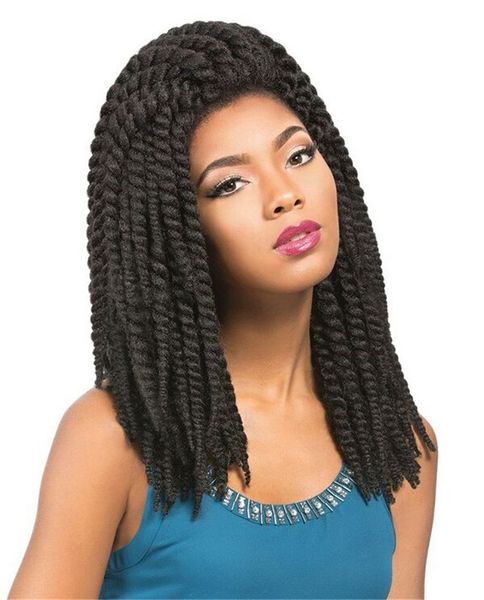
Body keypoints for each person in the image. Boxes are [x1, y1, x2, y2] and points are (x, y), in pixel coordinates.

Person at [8, 20, 438, 599]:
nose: (284, 195)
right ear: (178, 235)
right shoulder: (112, 440)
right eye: (230, 184)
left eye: (298, 155)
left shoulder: (397, 447)